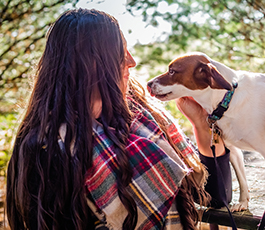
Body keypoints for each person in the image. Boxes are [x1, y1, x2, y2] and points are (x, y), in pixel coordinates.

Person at [6, 8, 230, 230]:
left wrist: (202, 124)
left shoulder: (144, 118)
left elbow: (217, 197)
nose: (131, 62)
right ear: (89, 63)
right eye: (120, 53)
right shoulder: (49, 149)